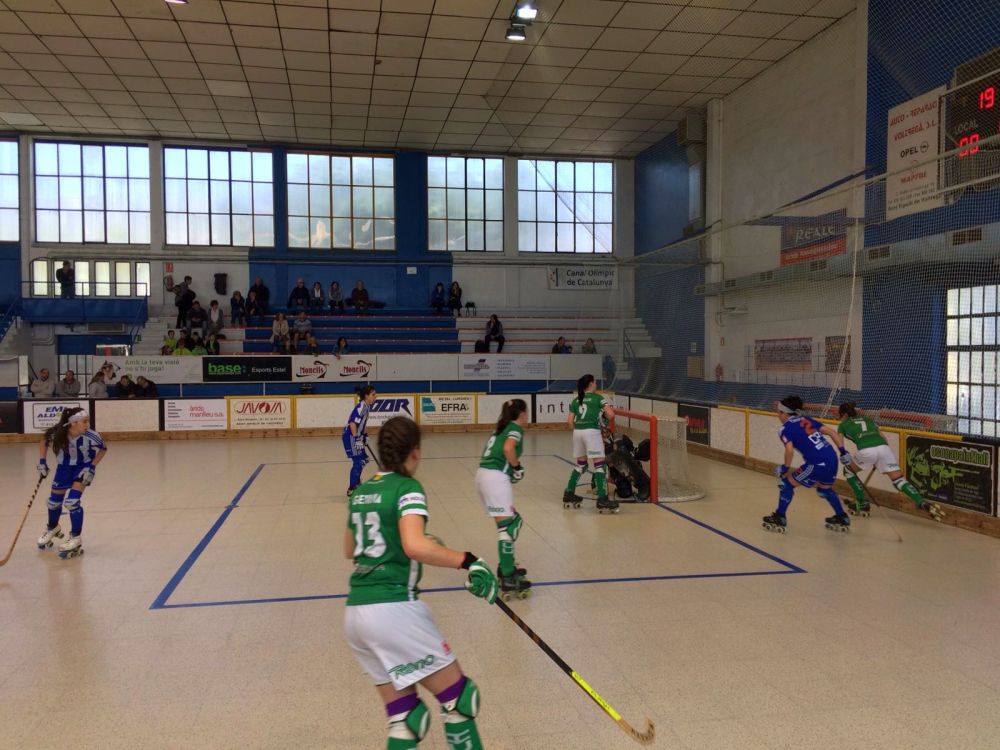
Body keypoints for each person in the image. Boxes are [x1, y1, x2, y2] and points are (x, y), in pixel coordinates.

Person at [343, 416, 496, 750]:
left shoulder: (362, 491)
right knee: (459, 699)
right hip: (392, 610)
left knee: (406, 717)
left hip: (356, 615)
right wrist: (468, 561)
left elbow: (351, 549)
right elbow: (414, 546)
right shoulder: (406, 487)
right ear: (415, 452)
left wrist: (409, 540)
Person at [836, 401, 944, 521]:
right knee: (898, 480)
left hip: (866, 450)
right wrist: (880, 458)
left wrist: (843, 453)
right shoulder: (868, 419)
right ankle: (920, 501)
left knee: (848, 472)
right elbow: (883, 437)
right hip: (884, 448)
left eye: (840, 416)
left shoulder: (843, 424)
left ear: (844, 415)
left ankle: (861, 502)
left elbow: (838, 440)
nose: (840, 419)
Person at [762, 396, 851, 533]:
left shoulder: (785, 429)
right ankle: (842, 517)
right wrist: (843, 452)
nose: (778, 415)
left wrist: (784, 468)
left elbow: (789, 450)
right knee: (824, 490)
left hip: (816, 463)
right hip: (832, 458)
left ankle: (780, 517)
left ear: (784, 413)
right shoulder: (806, 419)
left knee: (786, 484)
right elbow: (832, 432)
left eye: (779, 412)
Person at [476, 399, 531, 600]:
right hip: (495, 478)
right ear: (522, 414)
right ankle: (508, 573)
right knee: (510, 526)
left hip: (483, 476)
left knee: (506, 526)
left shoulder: (500, 428)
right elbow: (509, 449)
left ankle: (506, 566)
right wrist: (517, 467)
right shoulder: (515, 427)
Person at [36, 407, 106, 559]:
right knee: (53, 503)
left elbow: (103, 449)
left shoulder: (91, 435)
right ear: (73, 423)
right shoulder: (58, 433)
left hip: (82, 468)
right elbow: (43, 440)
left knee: (72, 502)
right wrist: (42, 462)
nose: (87, 424)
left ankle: (75, 537)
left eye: (88, 421)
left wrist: (92, 467)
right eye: (84, 421)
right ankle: (52, 528)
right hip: (63, 469)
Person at [564, 374, 616, 513]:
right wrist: (602, 419)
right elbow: (611, 415)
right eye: (595, 382)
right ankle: (602, 498)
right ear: (591, 384)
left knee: (581, 464)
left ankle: (569, 493)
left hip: (577, 433)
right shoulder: (598, 398)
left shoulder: (576, 401)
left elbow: (569, 422)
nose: (596, 384)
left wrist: (580, 429)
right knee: (599, 465)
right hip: (592, 433)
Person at [343, 384, 377, 495]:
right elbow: (353, 423)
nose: (375, 396)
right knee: (358, 461)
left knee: (363, 460)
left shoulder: (367, 407)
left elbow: (362, 424)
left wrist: (365, 435)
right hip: (351, 436)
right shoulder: (361, 406)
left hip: (356, 436)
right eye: (373, 394)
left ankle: (356, 483)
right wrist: (357, 438)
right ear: (366, 396)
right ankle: (352, 488)